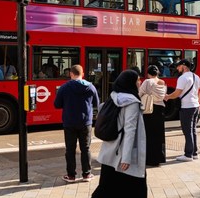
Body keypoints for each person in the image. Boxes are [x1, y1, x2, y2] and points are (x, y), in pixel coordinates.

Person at [92, 69, 147, 198]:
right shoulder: (131, 102)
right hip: (124, 154)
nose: (140, 82)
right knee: (136, 187)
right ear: (130, 83)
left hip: (110, 150)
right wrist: (126, 157)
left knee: (107, 187)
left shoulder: (114, 96)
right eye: (138, 80)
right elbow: (130, 130)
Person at [54, 64, 99, 183]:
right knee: (86, 148)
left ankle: (71, 175)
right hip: (86, 122)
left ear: (71, 74)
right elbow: (96, 103)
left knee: (70, 149)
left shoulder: (64, 87)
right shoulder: (91, 87)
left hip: (69, 122)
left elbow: (57, 104)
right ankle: (87, 174)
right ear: (82, 74)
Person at [164, 59, 200, 162]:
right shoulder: (196, 76)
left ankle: (188, 154)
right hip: (195, 106)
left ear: (184, 66)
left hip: (187, 107)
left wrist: (168, 96)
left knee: (187, 131)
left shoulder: (182, 78)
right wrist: (198, 101)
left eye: (179, 66)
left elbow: (177, 93)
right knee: (193, 130)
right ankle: (194, 153)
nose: (177, 68)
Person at [138, 65, 166, 167]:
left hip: (149, 110)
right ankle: (158, 158)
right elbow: (162, 96)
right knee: (159, 135)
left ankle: (149, 159)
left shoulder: (148, 82)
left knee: (148, 135)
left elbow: (140, 93)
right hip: (160, 109)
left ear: (148, 73)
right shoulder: (162, 82)